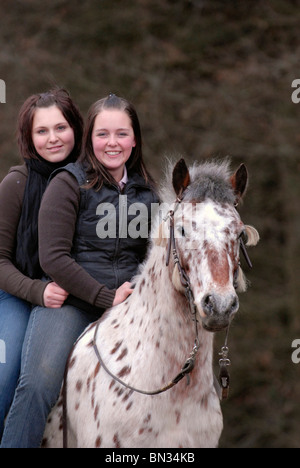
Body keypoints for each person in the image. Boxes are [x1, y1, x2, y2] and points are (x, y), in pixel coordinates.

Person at [0, 93, 159, 448]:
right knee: (36, 381)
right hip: (66, 299)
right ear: (90, 138)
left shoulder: (148, 194)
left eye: (122, 134)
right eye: (102, 134)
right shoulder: (67, 182)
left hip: (128, 306)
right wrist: (104, 296)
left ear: (135, 139)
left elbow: (156, 258)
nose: (112, 143)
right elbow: (53, 259)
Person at [0, 88, 84, 441]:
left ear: (77, 129)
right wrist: (37, 289)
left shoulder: (93, 183)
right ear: (28, 137)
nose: (53, 138)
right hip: (18, 291)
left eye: (61, 127)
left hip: (73, 296)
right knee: (5, 377)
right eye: (42, 131)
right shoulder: (15, 184)